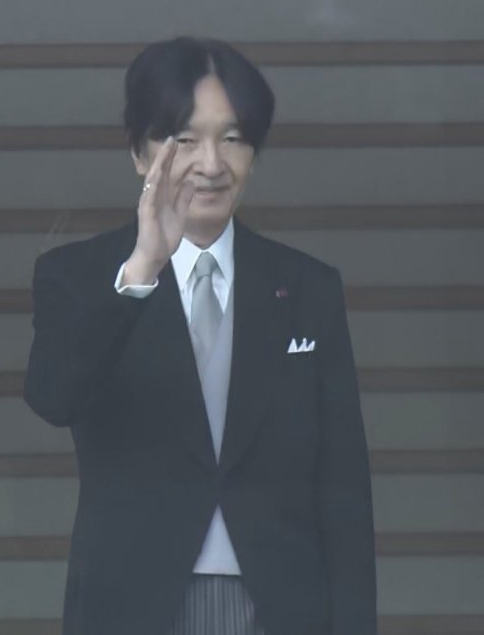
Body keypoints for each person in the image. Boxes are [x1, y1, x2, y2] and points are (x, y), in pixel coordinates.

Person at [23, 37, 376, 634]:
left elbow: (343, 490)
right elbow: (54, 396)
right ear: (140, 153)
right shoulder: (80, 275)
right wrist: (142, 270)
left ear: (254, 154)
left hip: (282, 607)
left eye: (232, 138)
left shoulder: (307, 288)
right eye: (184, 139)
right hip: (133, 606)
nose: (211, 164)